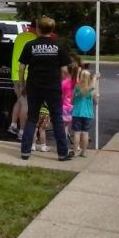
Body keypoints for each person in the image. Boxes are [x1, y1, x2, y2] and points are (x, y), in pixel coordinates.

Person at [18, 16, 72, 161]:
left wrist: (22, 85)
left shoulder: (30, 45)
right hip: (52, 87)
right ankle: (62, 153)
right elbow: (65, 71)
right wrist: (64, 86)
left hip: (34, 86)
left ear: (38, 29)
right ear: (52, 29)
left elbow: (22, 68)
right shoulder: (58, 47)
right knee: (57, 119)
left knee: (32, 118)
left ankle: (25, 152)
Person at [72, 70, 99, 156]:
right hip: (87, 113)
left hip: (77, 112)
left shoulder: (77, 87)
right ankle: (84, 152)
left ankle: (75, 151)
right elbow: (96, 102)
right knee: (85, 133)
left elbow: (72, 100)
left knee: (77, 132)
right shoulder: (92, 89)